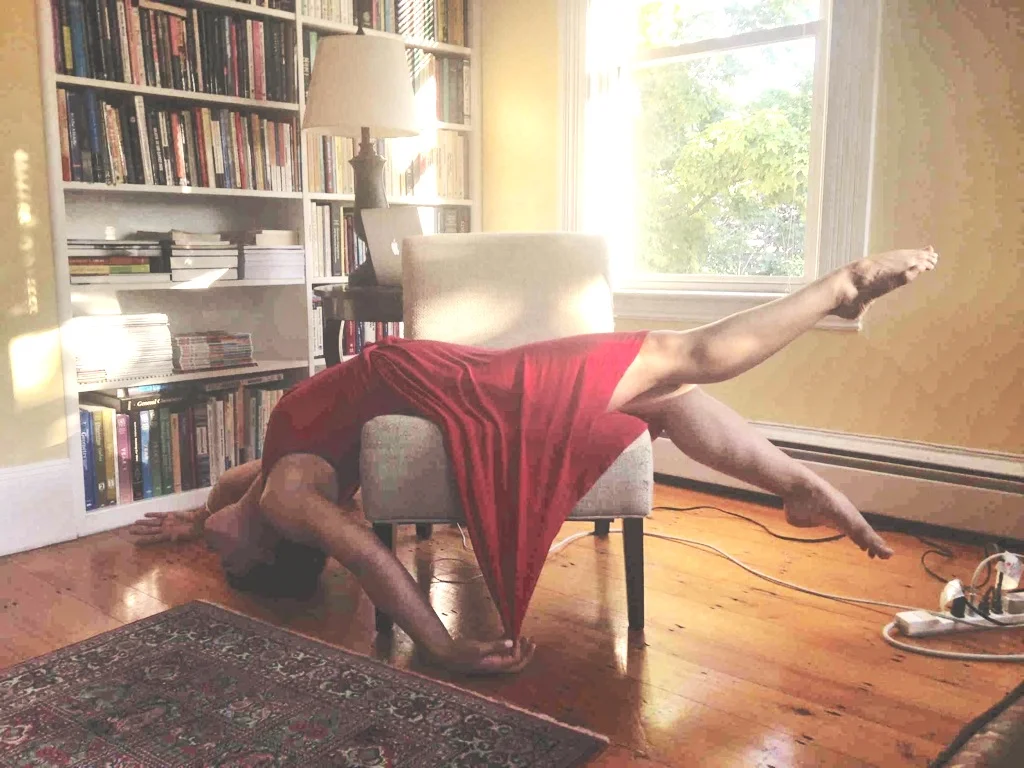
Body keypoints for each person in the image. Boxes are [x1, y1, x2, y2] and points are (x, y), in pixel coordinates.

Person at [130, 247, 938, 675]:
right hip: (470, 390)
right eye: (228, 559)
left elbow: (230, 495)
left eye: (218, 550)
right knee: (679, 365)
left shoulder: (261, 485)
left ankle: (797, 479)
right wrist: (437, 642)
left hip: (456, 372)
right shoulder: (291, 498)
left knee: (672, 383)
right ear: (274, 542)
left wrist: (191, 521)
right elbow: (367, 556)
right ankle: (840, 292)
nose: (216, 550)